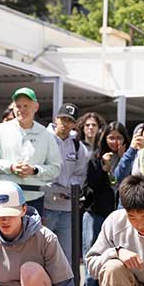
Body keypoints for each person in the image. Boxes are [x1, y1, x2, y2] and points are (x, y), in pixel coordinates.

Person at [0, 87, 61, 215]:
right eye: (18, 106)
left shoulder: (45, 135)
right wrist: (10, 167)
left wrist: (34, 170)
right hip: (4, 197)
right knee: (1, 235)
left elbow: (56, 168)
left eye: (26, 106)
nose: (21, 110)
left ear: (36, 107)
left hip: (34, 199)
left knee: (32, 235)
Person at [83, 121, 129, 286]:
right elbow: (90, 185)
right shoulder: (96, 157)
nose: (115, 141)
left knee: (116, 255)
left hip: (119, 214)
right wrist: (104, 168)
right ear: (104, 138)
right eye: (111, 137)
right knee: (94, 252)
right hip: (96, 212)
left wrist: (123, 158)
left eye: (119, 137)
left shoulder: (127, 159)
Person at [43, 103, 91, 264]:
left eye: (69, 120)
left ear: (74, 124)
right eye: (62, 119)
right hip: (45, 206)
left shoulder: (77, 146)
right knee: (42, 252)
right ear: (56, 119)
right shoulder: (43, 138)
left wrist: (68, 188)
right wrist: (53, 188)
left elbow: (81, 173)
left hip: (67, 209)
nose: (65, 123)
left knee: (65, 256)